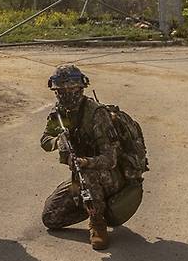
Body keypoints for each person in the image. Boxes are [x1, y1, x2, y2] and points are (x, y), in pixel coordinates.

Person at [40, 63, 126, 250]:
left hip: (110, 176)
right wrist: (59, 141)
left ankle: (98, 223)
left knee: (86, 172)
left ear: (81, 88)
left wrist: (86, 161)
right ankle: (91, 205)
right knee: (51, 218)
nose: (67, 93)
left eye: (72, 88)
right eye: (61, 90)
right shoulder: (59, 113)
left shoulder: (96, 113)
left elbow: (110, 159)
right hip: (80, 176)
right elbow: (45, 139)